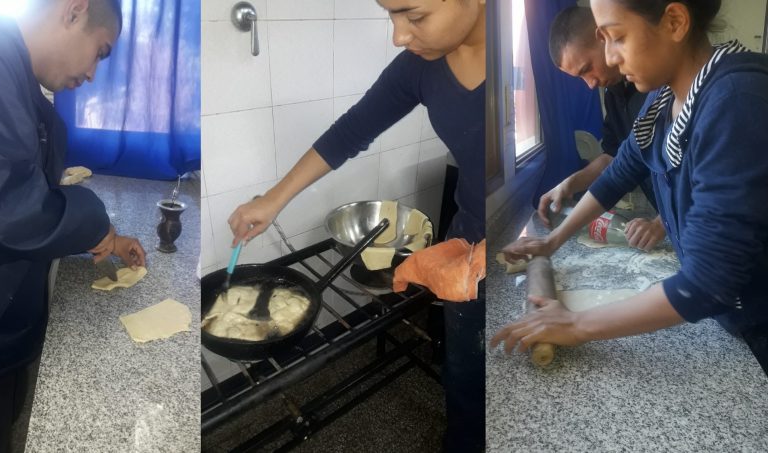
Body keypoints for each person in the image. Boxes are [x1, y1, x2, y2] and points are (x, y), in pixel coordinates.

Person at [226, 0, 486, 450]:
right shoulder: (418, 68)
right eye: (391, 15)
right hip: (466, 245)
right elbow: (350, 132)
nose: (398, 36)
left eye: (414, 15)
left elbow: (572, 168)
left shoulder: (537, 53)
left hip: (524, 248)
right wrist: (273, 200)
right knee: (466, 375)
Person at [495, 0, 768, 353]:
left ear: (674, 22)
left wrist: (576, 325)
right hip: (735, 320)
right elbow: (618, 173)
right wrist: (553, 241)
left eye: (617, 37)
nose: (609, 58)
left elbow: (709, 280)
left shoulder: (735, 101)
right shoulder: (661, 104)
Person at [0, 1, 146, 451]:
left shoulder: (9, 67)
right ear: (74, 11)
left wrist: (103, 237)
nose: (92, 74)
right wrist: (94, 220)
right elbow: (7, 209)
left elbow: (25, 194)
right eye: (100, 52)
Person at [542, 5, 665, 251]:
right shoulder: (614, 93)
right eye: (580, 77)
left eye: (587, 69)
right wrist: (569, 184)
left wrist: (661, 224)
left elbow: (702, 178)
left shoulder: (661, 86)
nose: (590, 84)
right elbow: (615, 160)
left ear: (604, 38)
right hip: (677, 223)